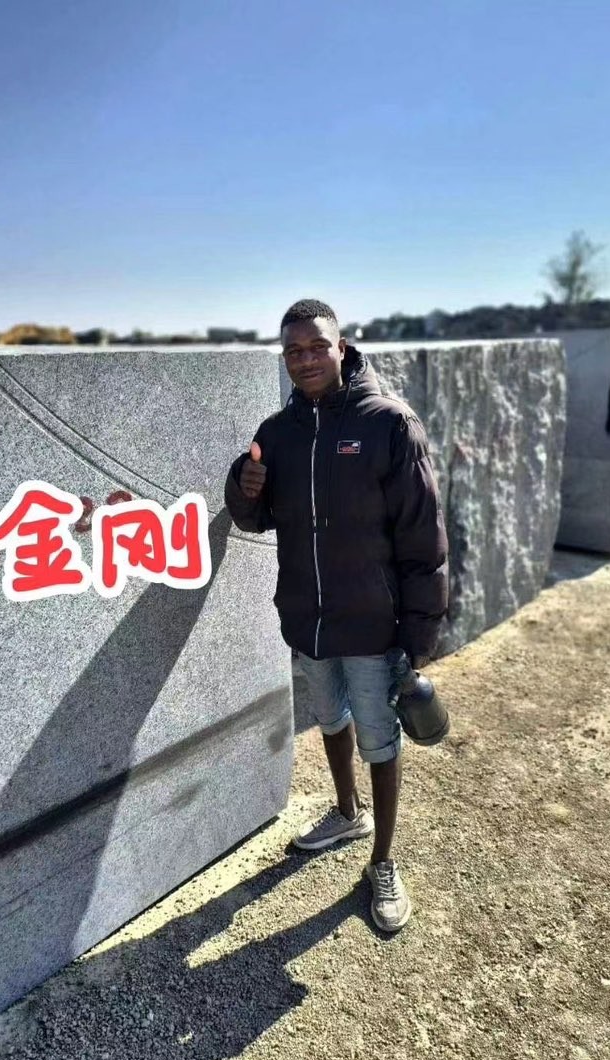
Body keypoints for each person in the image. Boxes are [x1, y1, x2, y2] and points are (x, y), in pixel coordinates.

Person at [224, 299, 448, 932]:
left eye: (317, 346)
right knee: (330, 718)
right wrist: (242, 485)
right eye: (293, 351)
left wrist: (419, 632)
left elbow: (423, 535)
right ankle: (347, 813)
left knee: (380, 738)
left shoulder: (389, 423)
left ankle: (383, 861)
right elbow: (254, 518)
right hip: (310, 616)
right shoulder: (278, 433)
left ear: (342, 347)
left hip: (375, 622)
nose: (306, 360)